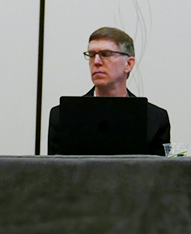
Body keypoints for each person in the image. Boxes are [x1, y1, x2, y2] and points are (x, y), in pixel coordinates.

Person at [48, 27, 171, 155]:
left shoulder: (154, 118)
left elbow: (160, 172)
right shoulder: (62, 115)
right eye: (91, 55)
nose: (96, 62)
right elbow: (55, 171)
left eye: (105, 55)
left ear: (128, 64)